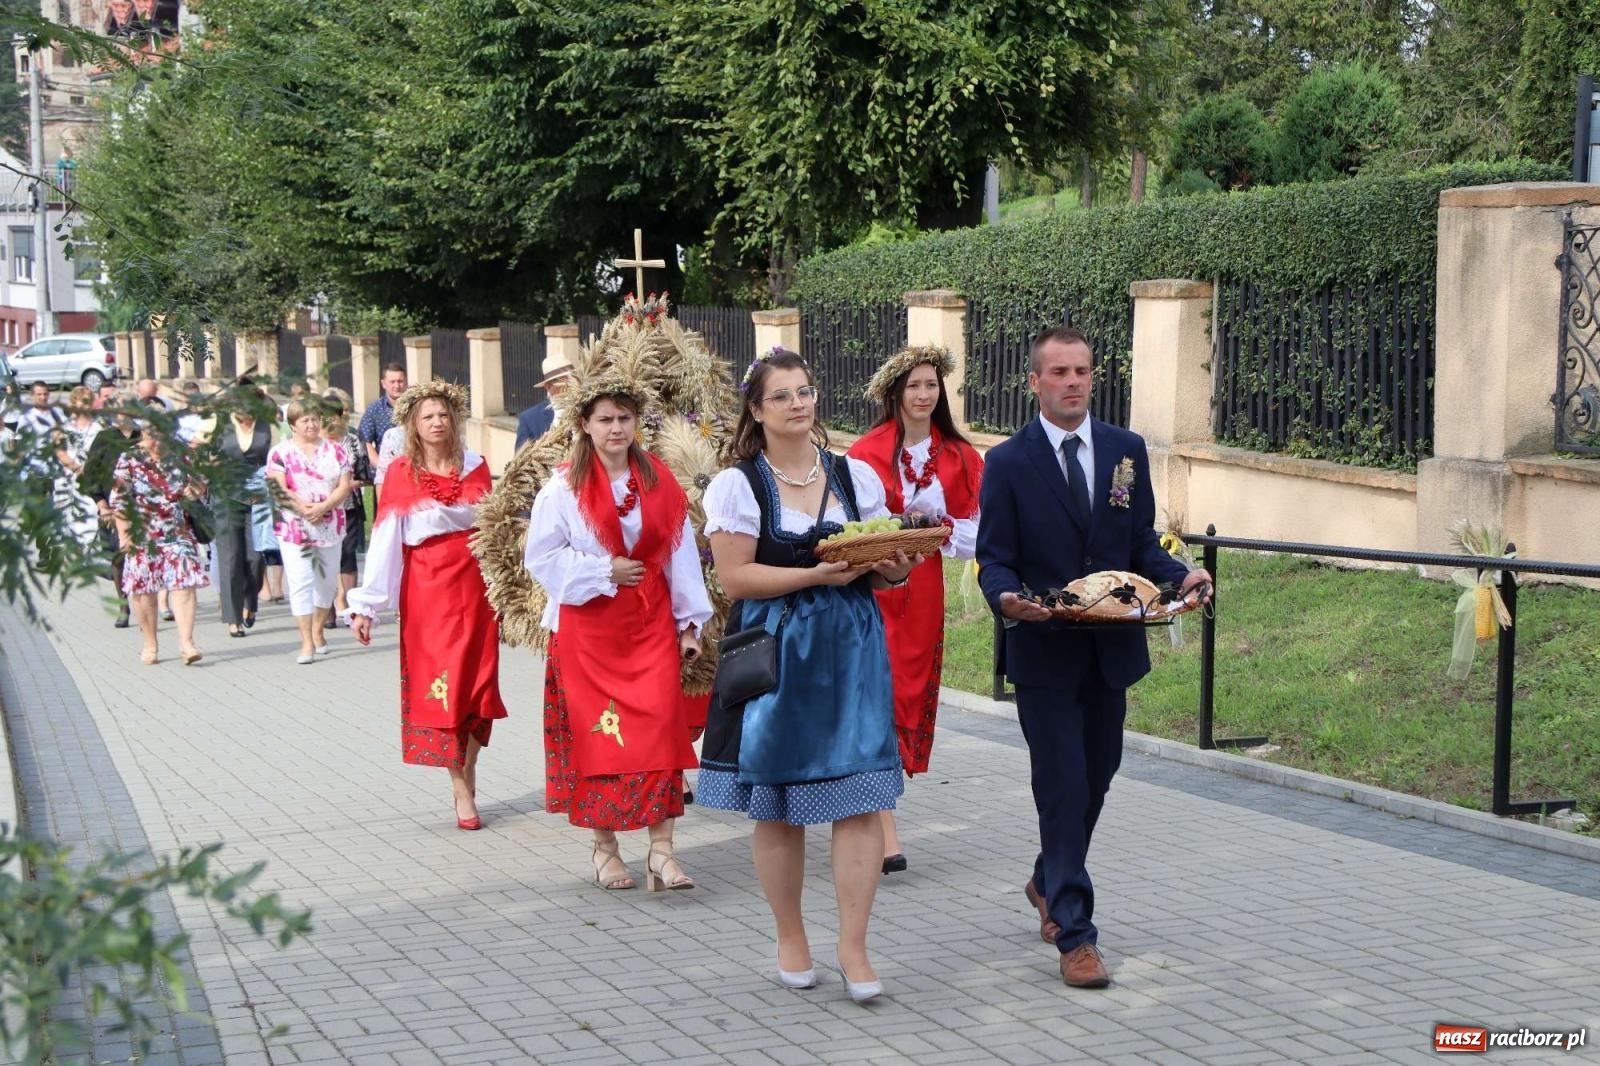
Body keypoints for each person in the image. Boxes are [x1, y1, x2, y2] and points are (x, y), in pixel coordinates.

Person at [976, 326, 1212, 989]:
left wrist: (1181, 574)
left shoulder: (1124, 451)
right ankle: (1075, 934)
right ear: (1035, 382)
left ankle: (1049, 877)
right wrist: (1007, 600)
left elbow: (1138, 541)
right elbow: (994, 558)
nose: (1073, 382)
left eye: (1081, 371)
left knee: (1099, 774)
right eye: (1059, 372)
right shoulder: (1008, 463)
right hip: (1044, 650)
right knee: (1063, 785)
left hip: (1111, 651)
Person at [700, 348, 918, 1003]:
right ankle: (790, 935)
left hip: (851, 650)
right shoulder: (739, 485)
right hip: (778, 650)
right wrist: (816, 574)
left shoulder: (857, 478)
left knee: (859, 803)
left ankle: (853, 946)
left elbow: (887, 570)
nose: (799, 403)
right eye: (783, 396)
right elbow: (737, 577)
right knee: (780, 806)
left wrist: (899, 563)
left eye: (806, 390)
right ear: (757, 410)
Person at [524, 387, 713, 892]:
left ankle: (662, 852)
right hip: (588, 631)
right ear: (584, 424)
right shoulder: (562, 489)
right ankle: (605, 850)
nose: (615, 428)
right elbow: (541, 559)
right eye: (605, 419)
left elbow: (680, 552)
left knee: (659, 734)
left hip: (648, 626)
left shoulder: (659, 480)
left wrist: (690, 622)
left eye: (624, 418)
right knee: (600, 739)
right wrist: (603, 570)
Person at [847, 345, 983, 875]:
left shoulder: (961, 457)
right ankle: (884, 827)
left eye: (931, 385)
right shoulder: (864, 453)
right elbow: (851, 524)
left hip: (923, 588)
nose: (924, 395)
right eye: (914, 386)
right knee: (873, 690)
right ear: (894, 393)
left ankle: (876, 803)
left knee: (906, 689)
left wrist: (940, 529)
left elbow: (976, 532)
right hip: (874, 585)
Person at [347, 381, 507, 831]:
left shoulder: (475, 465)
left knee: (477, 685)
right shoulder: (399, 472)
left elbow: (494, 528)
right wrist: (367, 605)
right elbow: (384, 541)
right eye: (427, 417)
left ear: (454, 419)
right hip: (427, 588)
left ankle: (468, 764)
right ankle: (459, 787)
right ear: (413, 425)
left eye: (443, 415)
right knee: (443, 685)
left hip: (475, 586)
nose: (437, 423)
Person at [109, 416, 209, 665]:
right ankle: (150, 643)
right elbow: (119, 499)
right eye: (151, 434)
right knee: (143, 590)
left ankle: (187, 643)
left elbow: (200, 487)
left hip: (177, 531)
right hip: (142, 532)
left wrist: (193, 490)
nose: (156, 441)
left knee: (184, 584)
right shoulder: (129, 459)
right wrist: (124, 535)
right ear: (143, 433)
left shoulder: (182, 456)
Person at [265, 397, 352, 663]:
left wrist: (324, 506)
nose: (312, 424)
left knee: (326, 584)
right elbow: (278, 488)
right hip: (295, 526)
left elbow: (344, 485)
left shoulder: (336, 450)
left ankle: (317, 630)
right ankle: (306, 642)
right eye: (305, 420)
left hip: (329, 523)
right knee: (301, 581)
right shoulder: (280, 453)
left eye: (315, 419)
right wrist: (304, 508)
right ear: (293, 425)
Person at [210, 385, 274, 638]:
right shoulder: (218, 424)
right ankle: (233, 617)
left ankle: (251, 601)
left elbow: (279, 456)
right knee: (231, 556)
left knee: (256, 557)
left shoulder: (268, 424)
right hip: (225, 494)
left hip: (258, 495)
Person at [79, 395, 142, 627]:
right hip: (111, 506)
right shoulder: (104, 438)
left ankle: (149, 600)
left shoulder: (143, 437)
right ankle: (123, 605)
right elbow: (90, 473)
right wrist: (100, 502)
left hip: (142, 506)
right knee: (117, 556)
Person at [322, 388, 373, 627]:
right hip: (322, 509)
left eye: (333, 415)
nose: (329, 421)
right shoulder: (315, 443)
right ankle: (328, 604)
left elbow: (365, 475)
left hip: (349, 506)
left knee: (347, 556)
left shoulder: (351, 440)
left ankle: (349, 604)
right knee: (327, 557)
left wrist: (347, 484)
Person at [52, 384, 104, 545]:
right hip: (69, 476)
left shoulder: (99, 426)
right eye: (82, 401)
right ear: (74, 404)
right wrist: (76, 467)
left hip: (91, 476)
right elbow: (58, 450)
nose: (86, 405)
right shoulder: (64, 426)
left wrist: (90, 468)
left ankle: (87, 552)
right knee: (67, 517)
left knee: (89, 515)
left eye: (88, 402)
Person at [514, 350, 573, 450]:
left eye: (573, 378)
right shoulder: (530, 419)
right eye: (564, 381)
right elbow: (520, 461)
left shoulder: (589, 408)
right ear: (548, 386)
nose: (571, 384)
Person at [359, 362, 407, 473]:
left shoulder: (417, 406)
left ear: (405, 382)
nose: (397, 386)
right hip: (385, 472)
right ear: (383, 383)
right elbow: (365, 442)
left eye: (400, 381)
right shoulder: (374, 410)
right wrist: (381, 466)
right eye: (392, 382)